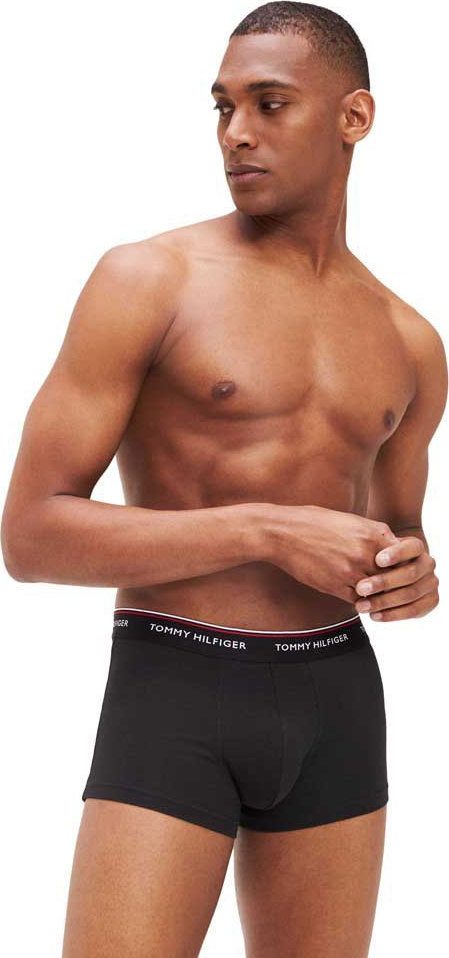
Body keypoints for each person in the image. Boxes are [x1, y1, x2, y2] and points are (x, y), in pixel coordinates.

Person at [1, 2, 447, 956]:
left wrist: (410, 577)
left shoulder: (409, 339)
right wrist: (263, 530)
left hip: (337, 697)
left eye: (269, 103)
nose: (235, 132)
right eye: (222, 107)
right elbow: (29, 536)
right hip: (175, 684)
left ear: (354, 117)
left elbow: (398, 533)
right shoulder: (149, 279)